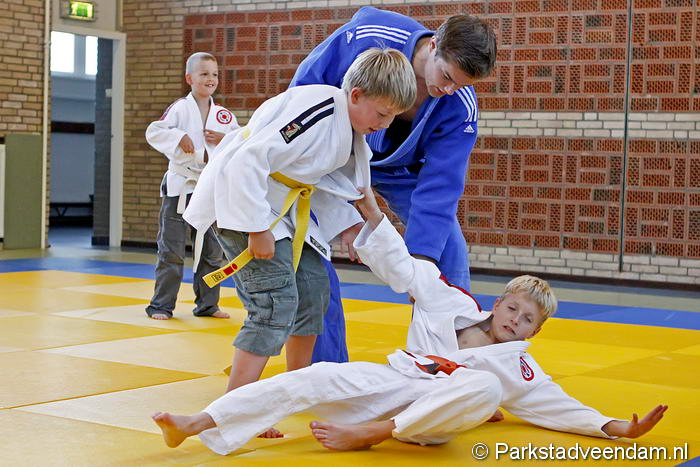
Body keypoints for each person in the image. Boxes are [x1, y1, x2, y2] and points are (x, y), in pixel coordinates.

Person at [152, 186, 667, 454]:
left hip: (428, 419)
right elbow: (402, 266)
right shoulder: (448, 301)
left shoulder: (517, 366)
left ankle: (375, 432)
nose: (516, 321)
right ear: (499, 303)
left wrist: (618, 427)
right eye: (513, 308)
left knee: (487, 388)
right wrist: (372, 215)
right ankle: (198, 424)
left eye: (528, 320)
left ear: (536, 332)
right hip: (393, 379)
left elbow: (557, 406)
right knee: (312, 376)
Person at [182, 48, 417, 398]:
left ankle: (294, 392)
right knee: (274, 302)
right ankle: (236, 407)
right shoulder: (318, 112)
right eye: (382, 114)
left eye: (393, 118)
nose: (384, 125)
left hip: (280, 209)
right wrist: (256, 228)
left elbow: (320, 183)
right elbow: (247, 160)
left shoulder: (348, 127)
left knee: (313, 292)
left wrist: (349, 226)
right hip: (239, 203)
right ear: (355, 94)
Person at [290, 6, 498, 363]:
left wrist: (420, 264)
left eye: (461, 85)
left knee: (449, 253)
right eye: (447, 76)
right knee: (310, 256)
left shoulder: (460, 107)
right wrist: (341, 213)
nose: (449, 90)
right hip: (332, 157)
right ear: (434, 45)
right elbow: (305, 91)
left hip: (402, 172)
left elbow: (441, 187)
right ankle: (327, 369)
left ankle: (451, 363)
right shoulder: (370, 37)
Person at [144, 52, 238, 320]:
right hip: (180, 187)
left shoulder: (223, 116)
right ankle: (161, 305)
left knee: (212, 251)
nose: (211, 79)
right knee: (171, 249)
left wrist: (224, 139)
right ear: (190, 78)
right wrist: (178, 136)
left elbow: (241, 142)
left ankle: (208, 304)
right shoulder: (179, 108)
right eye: (204, 73)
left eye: (215, 74)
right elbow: (154, 131)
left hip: (209, 189)